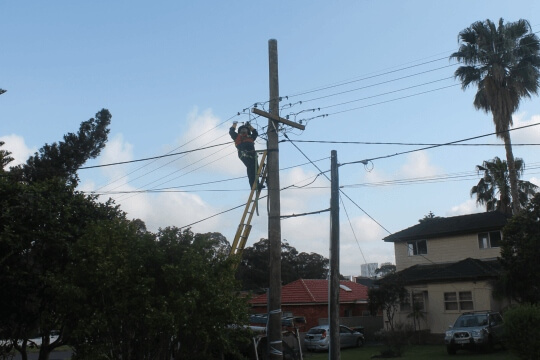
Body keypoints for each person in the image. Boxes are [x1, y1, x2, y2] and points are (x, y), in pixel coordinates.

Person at [229, 121, 261, 190]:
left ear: (248, 131)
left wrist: (250, 126)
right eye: (242, 129)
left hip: (253, 155)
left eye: (245, 129)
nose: (244, 130)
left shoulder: (251, 137)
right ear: (239, 131)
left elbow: (255, 133)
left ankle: (257, 184)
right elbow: (231, 132)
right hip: (243, 154)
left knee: (256, 169)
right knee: (250, 168)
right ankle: (253, 186)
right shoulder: (237, 136)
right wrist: (234, 124)